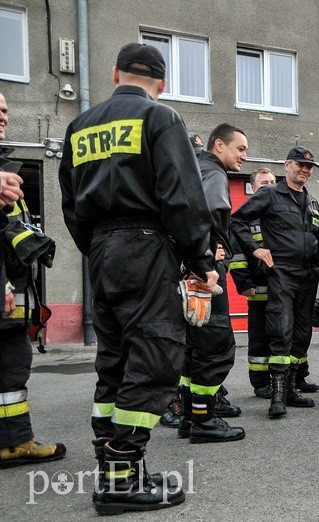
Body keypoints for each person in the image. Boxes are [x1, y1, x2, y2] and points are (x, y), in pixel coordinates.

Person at [59, 43, 218, 513]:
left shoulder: (79, 126)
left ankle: (113, 467)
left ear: (115, 73)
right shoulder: (160, 118)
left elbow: (70, 204)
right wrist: (200, 260)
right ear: (161, 83)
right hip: (147, 246)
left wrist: (98, 248)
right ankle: (122, 476)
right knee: (154, 356)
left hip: (103, 252)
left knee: (114, 360)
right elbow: (183, 198)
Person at [0, 92, 67, 469]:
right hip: (6, 290)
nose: (3, 117)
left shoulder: (4, 166)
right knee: (11, 365)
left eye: (6, 110)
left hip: (14, 290)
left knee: (11, 365)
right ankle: (15, 443)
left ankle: (14, 442)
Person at [231, 146, 319, 418]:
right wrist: (254, 249)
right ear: (286, 166)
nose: (304, 170)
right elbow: (237, 221)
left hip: (308, 276)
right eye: (299, 165)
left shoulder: (313, 202)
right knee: (280, 332)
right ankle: (278, 396)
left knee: (301, 335)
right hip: (281, 273)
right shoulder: (270, 194)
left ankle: (292, 389)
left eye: (308, 167)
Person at [176, 124, 246, 444]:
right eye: (240, 148)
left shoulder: (195, 171)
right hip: (206, 274)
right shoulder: (214, 173)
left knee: (194, 348)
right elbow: (207, 216)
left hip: (188, 269)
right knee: (216, 346)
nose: (244, 155)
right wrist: (207, 264)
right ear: (219, 145)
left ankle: (190, 417)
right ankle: (204, 421)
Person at [229, 167, 275, 398]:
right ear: (254, 189)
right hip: (258, 291)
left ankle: (287, 378)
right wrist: (244, 284)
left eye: (273, 182)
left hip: (281, 290)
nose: (270, 186)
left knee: (281, 336)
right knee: (259, 339)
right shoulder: (246, 216)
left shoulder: (277, 214)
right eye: (264, 183)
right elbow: (236, 256)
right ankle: (260, 382)